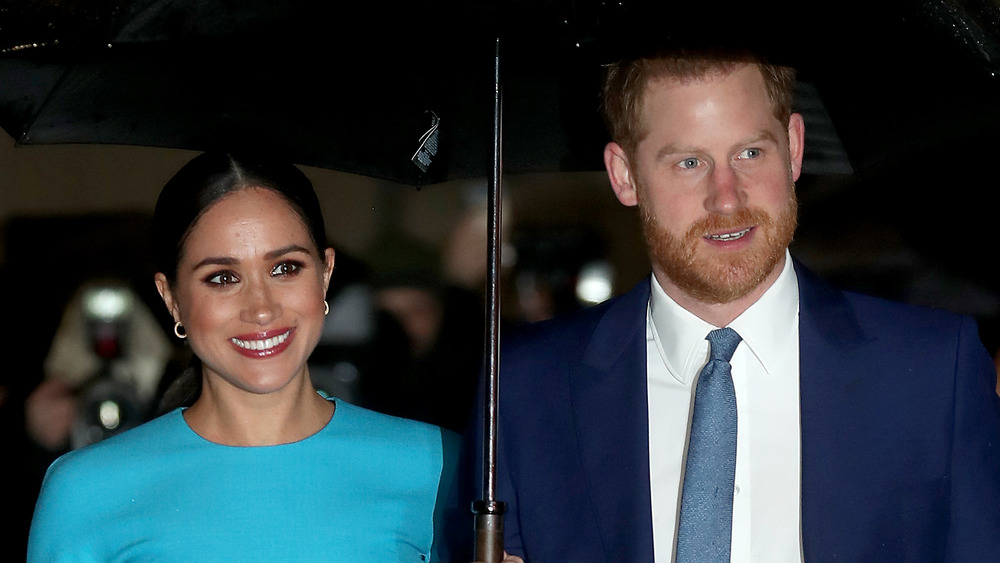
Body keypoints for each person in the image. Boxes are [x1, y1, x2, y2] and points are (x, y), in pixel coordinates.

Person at [461, 47, 1000, 561]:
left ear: (793, 146)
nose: (727, 196)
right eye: (689, 161)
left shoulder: (934, 370)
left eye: (749, 152)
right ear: (625, 175)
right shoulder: (525, 388)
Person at [27, 152, 461, 561]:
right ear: (171, 298)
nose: (261, 308)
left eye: (285, 268)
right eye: (222, 277)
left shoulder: (439, 465)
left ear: (325, 275)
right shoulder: (86, 491)